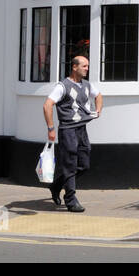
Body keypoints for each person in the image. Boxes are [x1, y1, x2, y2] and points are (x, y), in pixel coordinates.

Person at [42, 55, 102, 212]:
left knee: (84, 165)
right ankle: (70, 200)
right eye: (84, 66)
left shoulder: (86, 85)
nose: (87, 69)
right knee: (70, 165)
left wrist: (99, 109)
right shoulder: (62, 86)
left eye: (88, 66)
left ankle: (56, 186)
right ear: (74, 67)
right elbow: (47, 105)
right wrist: (51, 128)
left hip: (82, 129)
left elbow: (99, 95)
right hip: (68, 130)